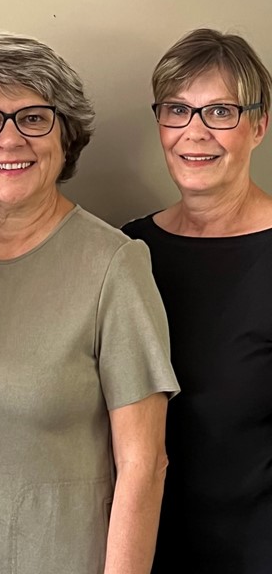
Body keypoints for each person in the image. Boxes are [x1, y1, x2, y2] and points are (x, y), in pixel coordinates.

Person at [0, 32, 179, 574]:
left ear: (66, 134)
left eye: (33, 118)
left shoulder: (114, 266)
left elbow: (144, 464)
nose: (9, 140)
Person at [121, 29, 272, 573]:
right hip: (140, 554)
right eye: (178, 110)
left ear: (259, 125)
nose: (195, 133)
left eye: (221, 112)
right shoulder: (128, 250)